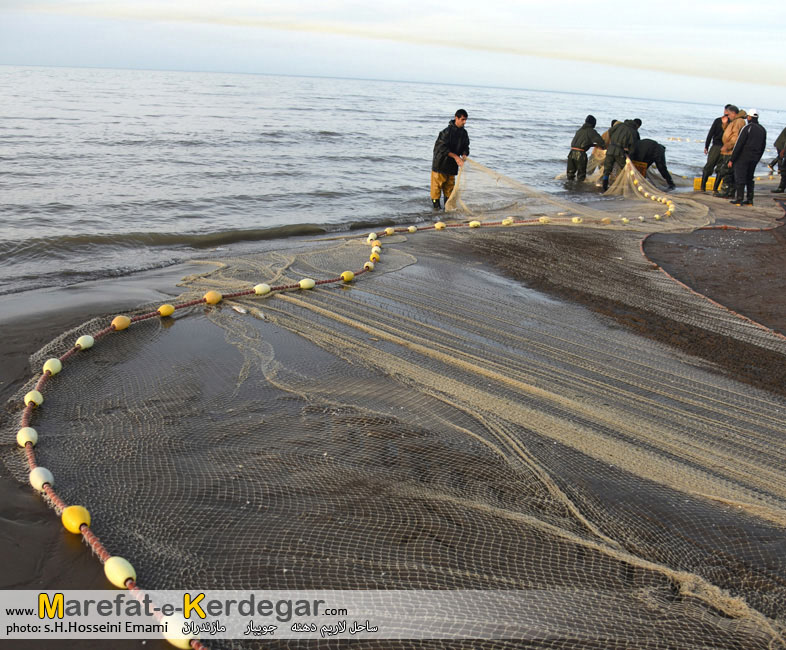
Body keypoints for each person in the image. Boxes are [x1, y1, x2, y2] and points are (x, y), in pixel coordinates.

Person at [431, 109, 470, 210]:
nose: (464, 122)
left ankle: (447, 213)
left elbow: (466, 146)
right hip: (440, 164)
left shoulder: (464, 133)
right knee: (436, 190)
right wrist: (456, 157)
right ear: (456, 118)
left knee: (449, 190)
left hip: (452, 166)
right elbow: (441, 148)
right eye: (462, 120)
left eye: (466, 120)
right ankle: (436, 211)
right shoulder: (445, 132)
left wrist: (464, 154)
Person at [728, 109, 766, 206]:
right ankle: (749, 200)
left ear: (749, 117)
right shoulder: (762, 129)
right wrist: (757, 158)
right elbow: (763, 146)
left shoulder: (747, 128)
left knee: (740, 177)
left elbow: (739, 144)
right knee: (750, 178)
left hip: (743, 157)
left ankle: (739, 199)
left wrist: (732, 159)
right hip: (754, 158)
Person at [713, 106, 746, 197]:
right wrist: (725, 124)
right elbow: (729, 133)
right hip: (728, 150)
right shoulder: (735, 121)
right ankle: (729, 192)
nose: (727, 116)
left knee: (725, 171)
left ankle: (726, 191)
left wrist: (727, 146)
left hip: (731, 151)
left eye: (728, 114)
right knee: (728, 171)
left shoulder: (739, 121)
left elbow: (735, 137)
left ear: (733, 113)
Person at [601, 119, 639, 191]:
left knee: (607, 169)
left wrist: (613, 140)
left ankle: (604, 188)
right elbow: (633, 146)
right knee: (624, 169)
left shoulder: (619, 125)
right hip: (620, 152)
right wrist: (630, 155)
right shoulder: (633, 131)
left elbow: (610, 131)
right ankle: (625, 187)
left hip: (610, 149)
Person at [700, 105, 731, 191]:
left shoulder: (726, 121)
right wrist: (706, 145)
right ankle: (709, 188)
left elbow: (711, 133)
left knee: (714, 167)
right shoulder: (723, 121)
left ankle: (708, 187)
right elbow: (711, 133)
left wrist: (706, 146)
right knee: (715, 167)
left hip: (720, 147)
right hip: (721, 147)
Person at [566, 115, 605, 182]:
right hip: (580, 155)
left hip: (571, 153)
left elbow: (580, 143)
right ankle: (580, 190)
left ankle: (569, 190)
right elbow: (601, 142)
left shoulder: (580, 130)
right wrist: (601, 146)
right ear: (593, 123)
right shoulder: (591, 131)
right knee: (581, 176)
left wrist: (592, 145)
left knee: (570, 175)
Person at [770, 126, 786, 193]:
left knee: (784, 168)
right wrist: (783, 150)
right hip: (781, 145)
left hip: (782, 146)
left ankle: (781, 188)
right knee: (784, 169)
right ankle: (781, 188)